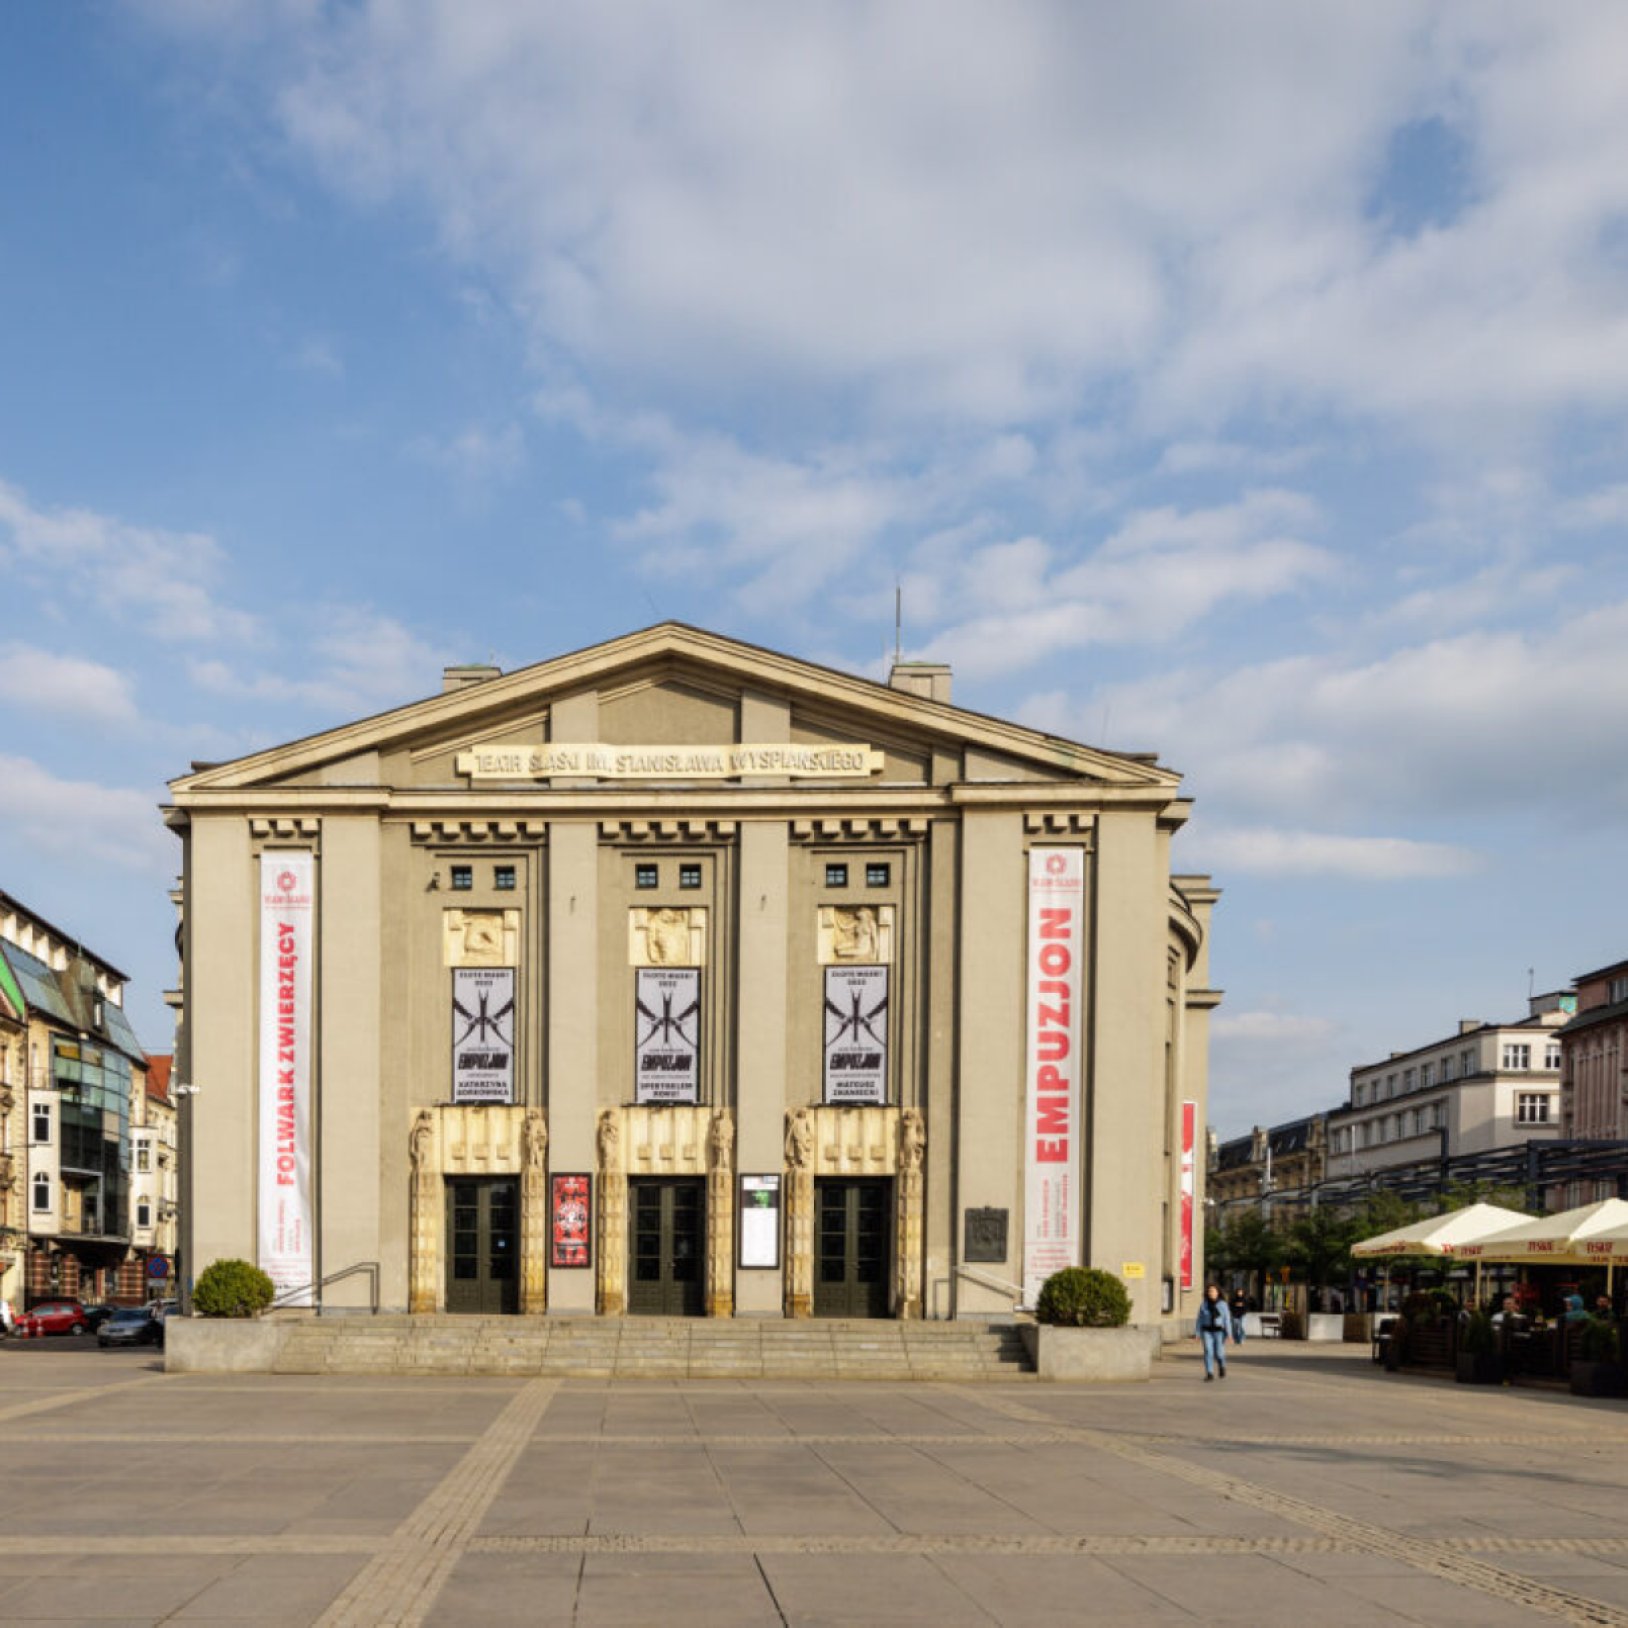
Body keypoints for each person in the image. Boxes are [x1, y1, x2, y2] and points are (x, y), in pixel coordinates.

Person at [1195, 1283, 1235, 1381]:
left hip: (1219, 1332)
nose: (1211, 1293)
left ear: (1218, 1292)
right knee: (1208, 1351)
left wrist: (1229, 1334)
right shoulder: (1204, 1304)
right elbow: (1199, 1319)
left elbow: (1227, 1320)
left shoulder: (1223, 1304)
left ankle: (1222, 1366)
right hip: (1207, 1331)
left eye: (1213, 1291)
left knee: (1219, 1353)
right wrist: (1197, 1333)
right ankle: (1209, 1373)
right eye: (1209, 1291)